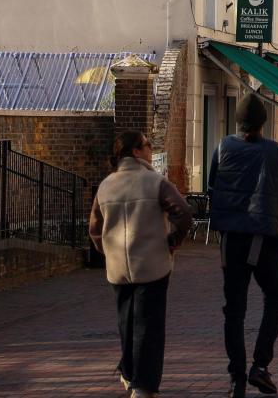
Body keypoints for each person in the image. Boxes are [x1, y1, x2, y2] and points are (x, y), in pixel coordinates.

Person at [89, 130, 192, 398]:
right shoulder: (155, 182)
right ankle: (144, 385)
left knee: (126, 322)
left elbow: (94, 228)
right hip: (152, 262)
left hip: (118, 267)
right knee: (149, 324)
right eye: (147, 145)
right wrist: (173, 240)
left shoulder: (106, 186)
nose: (150, 149)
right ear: (136, 151)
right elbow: (183, 212)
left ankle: (129, 372)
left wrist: (107, 250)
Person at [208, 94, 278, 398]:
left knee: (234, 309)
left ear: (238, 122)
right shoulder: (274, 151)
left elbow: (211, 187)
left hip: (231, 238)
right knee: (274, 297)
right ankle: (260, 364)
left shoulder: (222, 148)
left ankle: (236, 376)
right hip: (263, 237)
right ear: (263, 123)